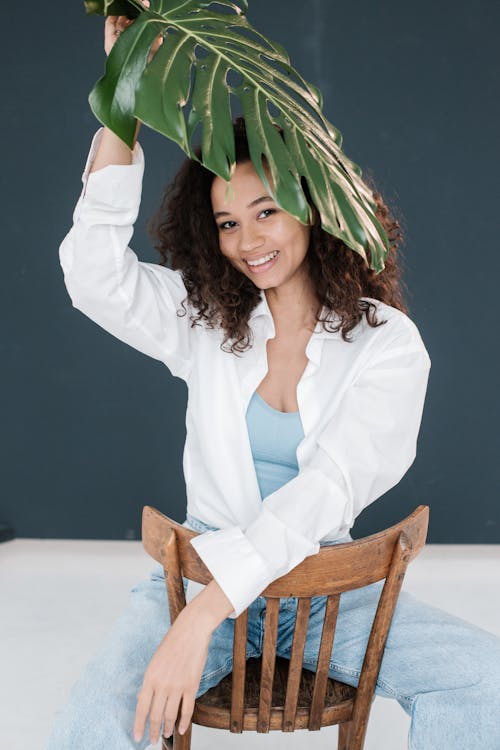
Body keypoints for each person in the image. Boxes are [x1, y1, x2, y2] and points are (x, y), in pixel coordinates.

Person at [45, 11, 500, 750]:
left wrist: (201, 621)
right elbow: (92, 276)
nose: (248, 241)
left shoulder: (387, 346)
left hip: (324, 593)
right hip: (197, 577)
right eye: (226, 224)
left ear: (313, 204)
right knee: (96, 717)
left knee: (486, 680)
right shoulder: (205, 320)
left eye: (266, 211)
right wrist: (123, 99)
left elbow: (326, 490)